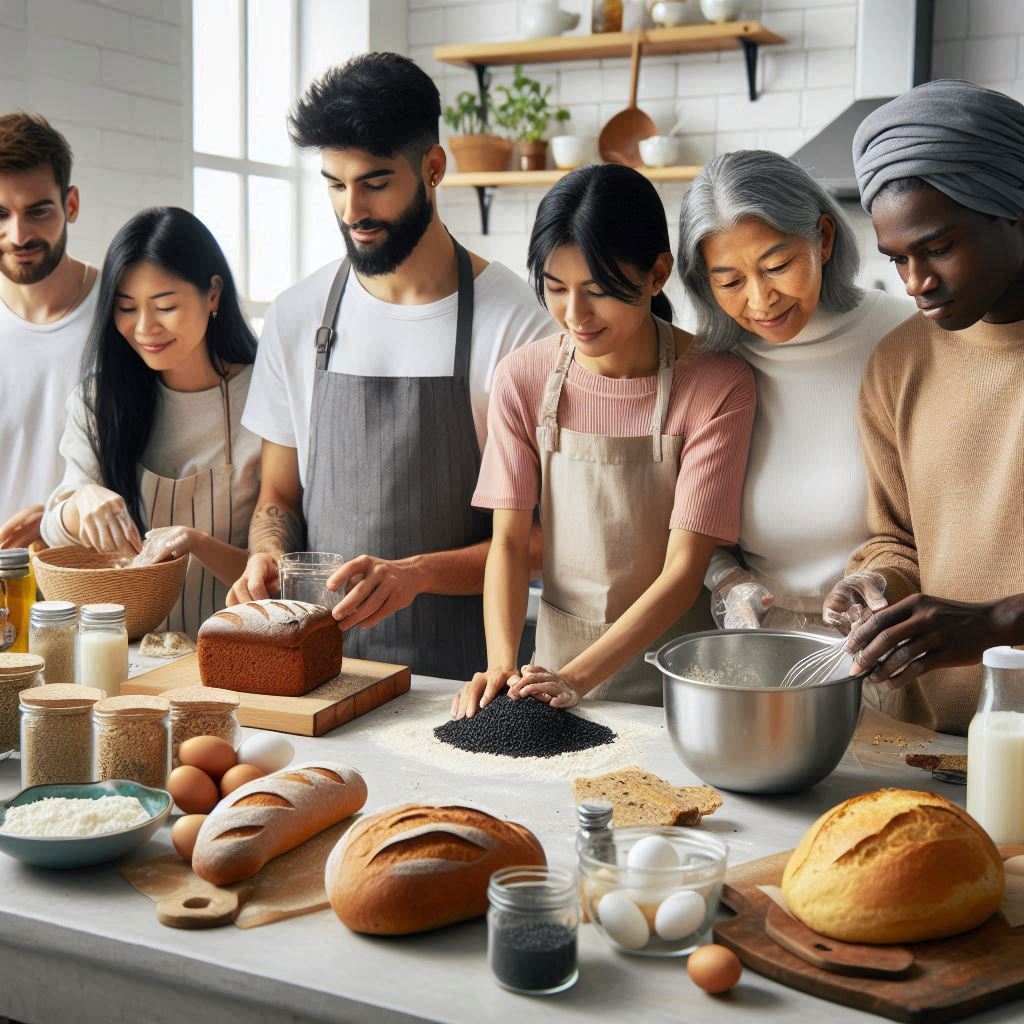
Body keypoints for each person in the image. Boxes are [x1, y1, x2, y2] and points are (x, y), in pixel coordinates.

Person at [230, 53, 552, 678]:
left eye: (375, 182)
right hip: (320, 677)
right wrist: (267, 551)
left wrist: (418, 574)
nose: (352, 209)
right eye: (334, 183)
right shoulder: (298, 316)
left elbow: (546, 542)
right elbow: (278, 495)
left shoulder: (515, 323)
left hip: (459, 683)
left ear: (433, 168)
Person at [451, 164, 756, 717]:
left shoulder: (717, 385)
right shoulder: (522, 378)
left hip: (682, 682)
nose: (575, 315)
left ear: (657, 274)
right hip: (552, 681)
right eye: (556, 288)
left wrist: (579, 677)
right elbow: (511, 544)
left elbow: (684, 570)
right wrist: (501, 663)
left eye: (599, 290)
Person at [823, 80, 1024, 734]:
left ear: (1014, 212)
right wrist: (877, 583)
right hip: (923, 746)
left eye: (938, 247)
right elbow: (897, 538)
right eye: (897, 259)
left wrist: (997, 624)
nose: (917, 283)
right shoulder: (900, 362)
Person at [675, 150, 911, 634]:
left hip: (888, 632)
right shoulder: (710, 367)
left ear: (822, 239)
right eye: (731, 281)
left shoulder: (902, 337)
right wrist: (725, 580)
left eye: (778, 266)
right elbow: (686, 516)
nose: (760, 301)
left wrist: (886, 581)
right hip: (762, 638)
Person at [40, 207, 261, 637]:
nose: (144, 328)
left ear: (213, 294)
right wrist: (79, 501)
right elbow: (54, 534)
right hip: (130, 658)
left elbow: (280, 566)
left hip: (241, 654)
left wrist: (196, 543)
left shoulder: (265, 394)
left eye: (165, 306)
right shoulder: (100, 398)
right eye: (125, 308)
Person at [0, 113, 98, 549]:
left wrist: (61, 517)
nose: (18, 235)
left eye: (37, 211)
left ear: (71, 205)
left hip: (100, 593)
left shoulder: (125, 312)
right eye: (0, 214)